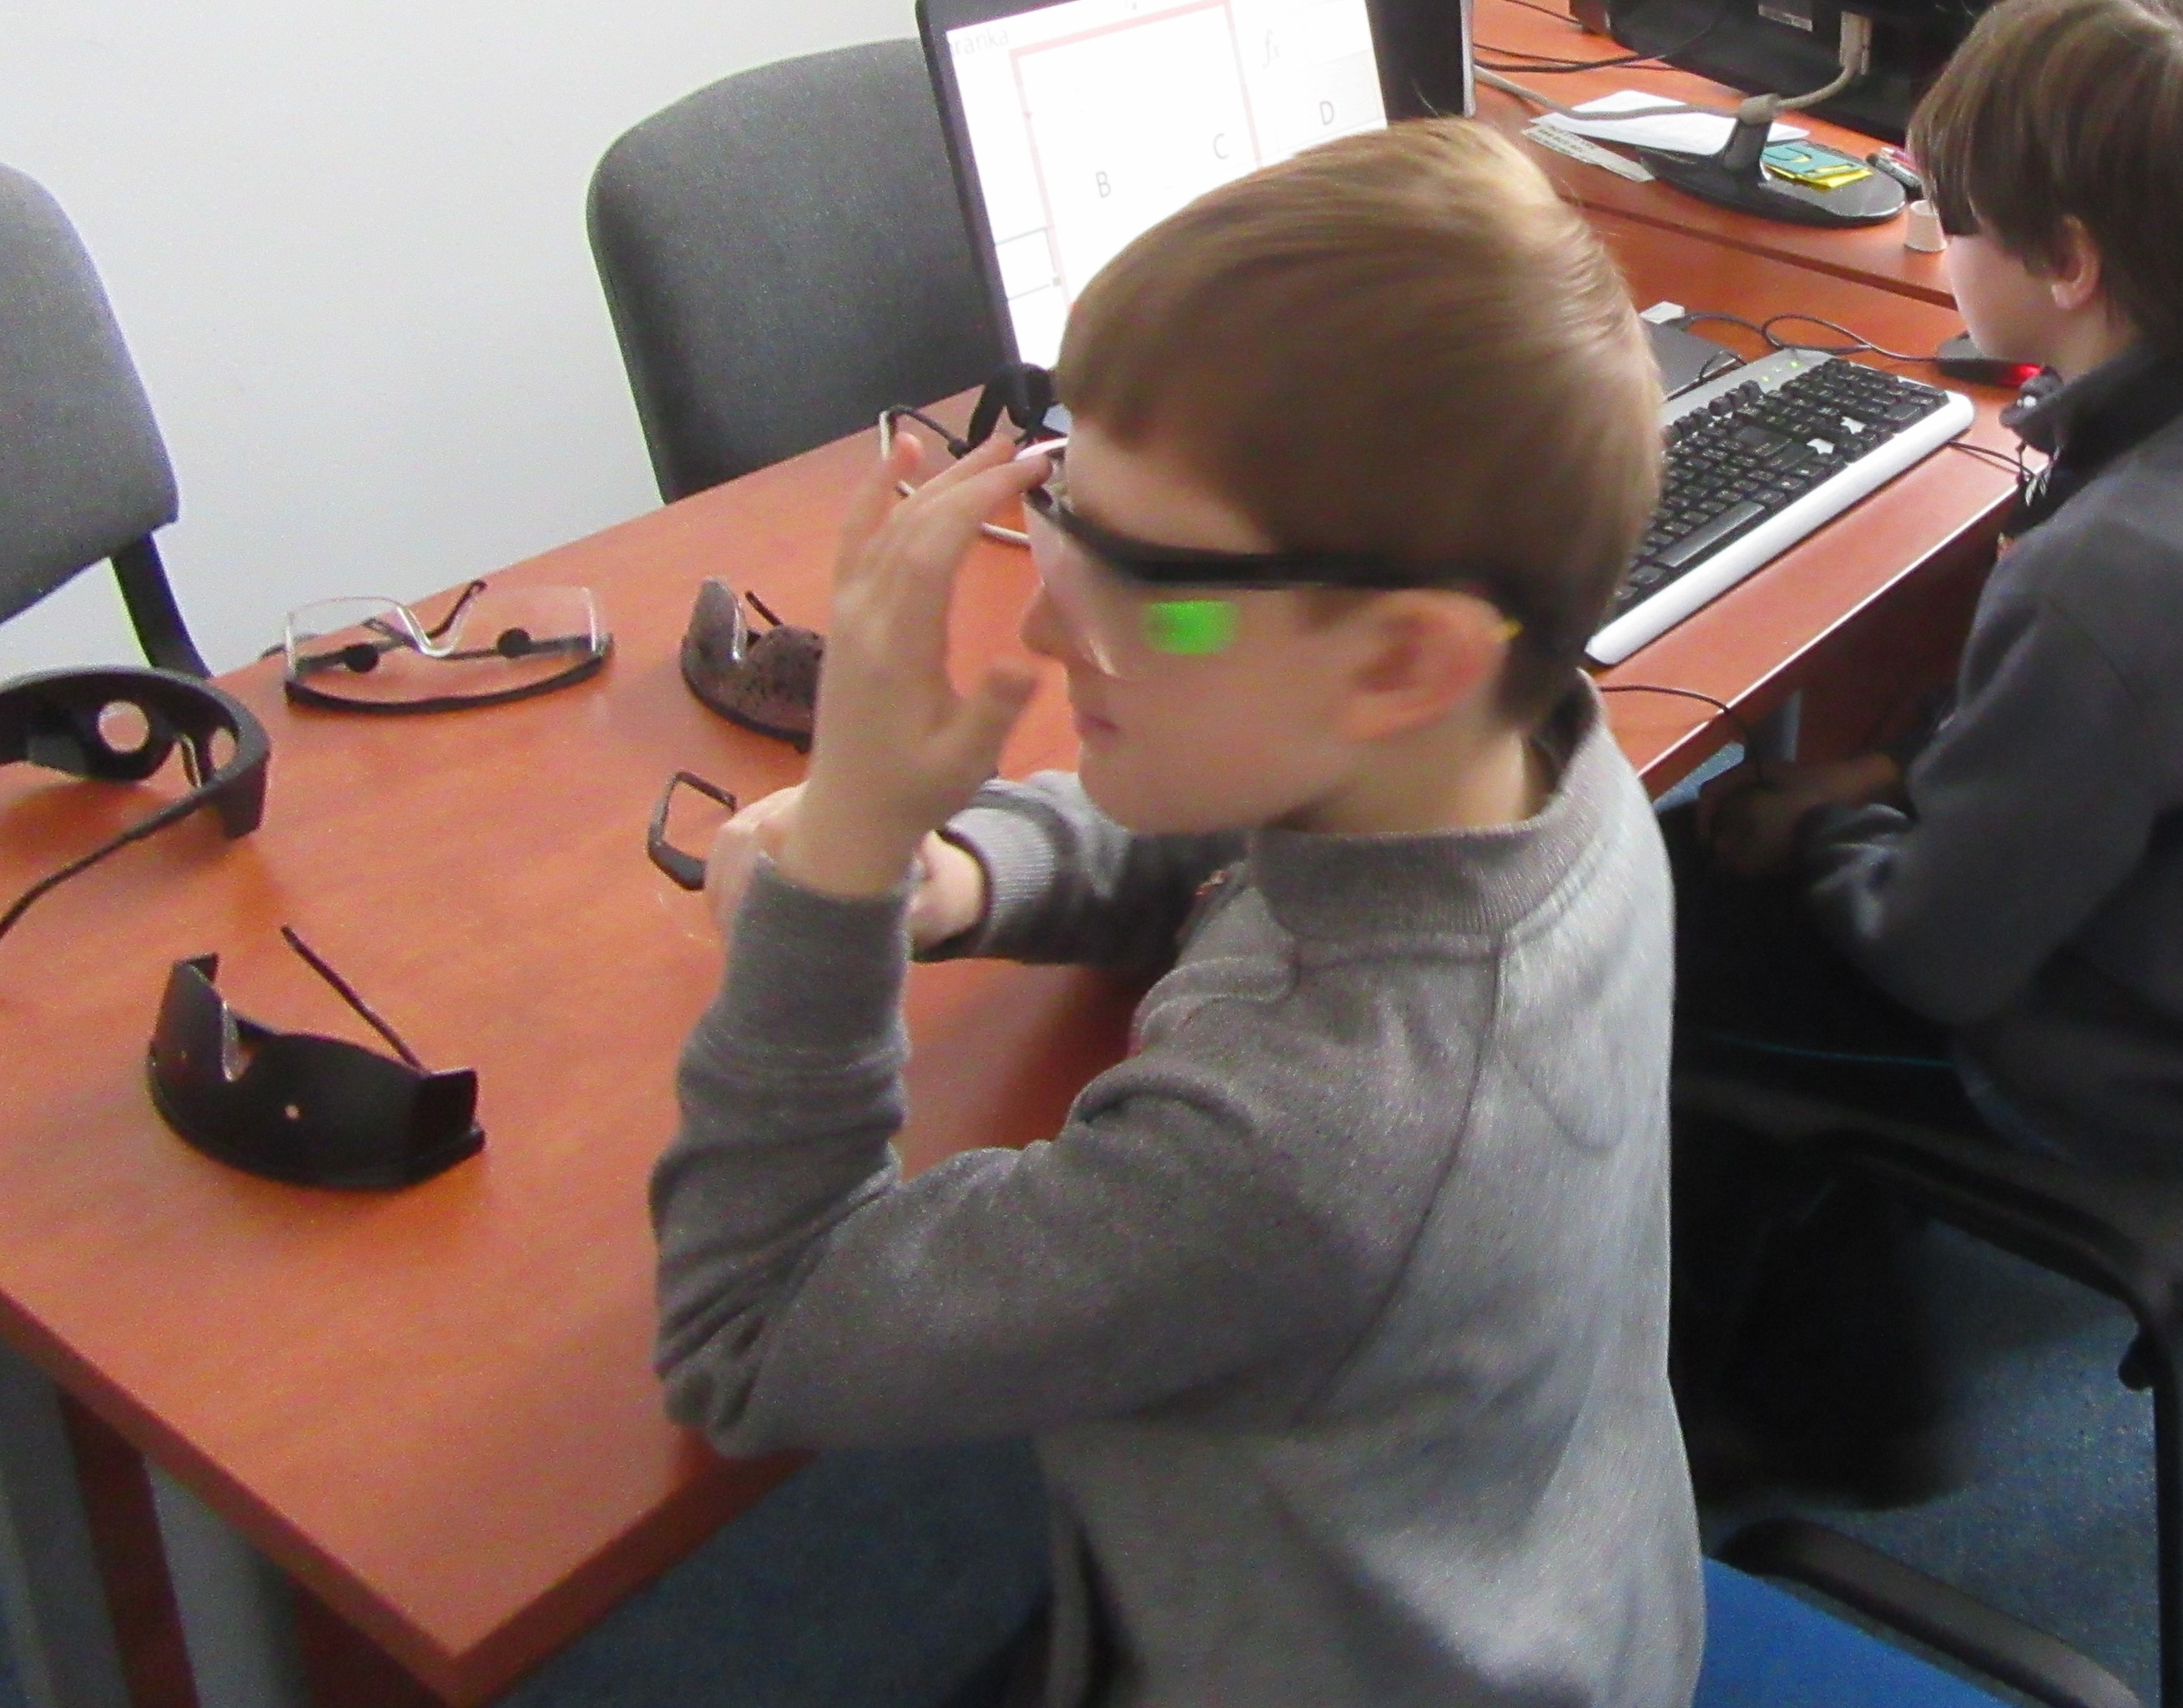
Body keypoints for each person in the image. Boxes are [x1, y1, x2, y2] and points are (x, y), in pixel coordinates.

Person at [647, 120, 1701, 1707]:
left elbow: (749, 1330)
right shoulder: (1535, 754)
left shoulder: (1297, 1149)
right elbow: (1254, 811)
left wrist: (847, 855)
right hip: (1561, 1586)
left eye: (1141, 577)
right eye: (1062, 499)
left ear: (1404, 658)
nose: (1041, 619)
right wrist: (972, 872)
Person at [1682, 0, 2183, 1488]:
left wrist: (1823, 833)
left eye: (1952, 213)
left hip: (2106, 1069)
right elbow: (2064, 736)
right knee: (1735, 846)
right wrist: (1877, 774)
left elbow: (1930, 956)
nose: (1935, 237)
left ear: (2069, 262)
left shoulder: (2125, 575)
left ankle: (1830, 1409)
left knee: (1629, 947)